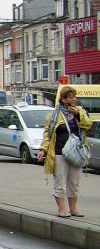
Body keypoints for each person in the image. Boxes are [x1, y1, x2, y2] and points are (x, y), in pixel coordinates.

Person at [36, 84, 92, 217]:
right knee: (60, 183)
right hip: (59, 153)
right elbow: (48, 134)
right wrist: (43, 150)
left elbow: (88, 125)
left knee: (74, 183)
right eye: (70, 98)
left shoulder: (80, 111)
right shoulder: (54, 115)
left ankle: (73, 209)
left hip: (76, 153)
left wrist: (77, 114)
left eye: (74, 97)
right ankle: (62, 210)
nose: (73, 100)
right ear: (63, 99)